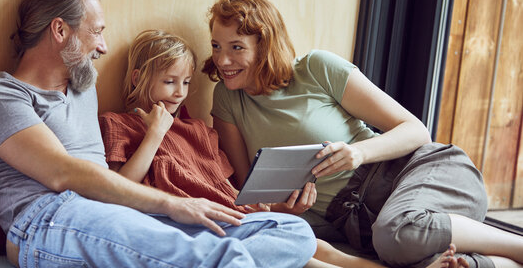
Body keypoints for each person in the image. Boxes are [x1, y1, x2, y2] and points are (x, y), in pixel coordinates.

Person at [0, 0, 318, 268]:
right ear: (59, 30)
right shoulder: (0, 96)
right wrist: (173, 204)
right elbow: (63, 174)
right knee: (219, 258)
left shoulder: (82, 88)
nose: (103, 46)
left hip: (116, 209)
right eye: (96, 33)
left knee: (292, 233)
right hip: (49, 219)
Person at [201, 0, 523, 268]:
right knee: (396, 242)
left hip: (415, 174)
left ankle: (516, 246)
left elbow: (415, 130)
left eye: (236, 47)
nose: (222, 60)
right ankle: (481, 261)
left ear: (265, 44)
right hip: (361, 225)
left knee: (397, 233)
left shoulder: (316, 68)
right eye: (216, 46)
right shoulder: (228, 100)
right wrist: (285, 209)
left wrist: (358, 152)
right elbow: (251, 196)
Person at [99, 29, 466, 268]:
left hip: (232, 212)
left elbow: (233, 191)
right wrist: (154, 136)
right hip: (193, 220)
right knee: (310, 256)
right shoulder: (119, 124)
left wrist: (277, 206)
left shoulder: (196, 128)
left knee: (322, 248)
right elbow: (118, 189)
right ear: (137, 78)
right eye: (169, 82)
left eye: (185, 82)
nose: (180, 92)